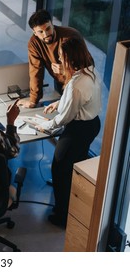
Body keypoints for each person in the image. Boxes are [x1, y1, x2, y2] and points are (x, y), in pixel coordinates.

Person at [35, 37, 102, 227]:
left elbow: (66, 118)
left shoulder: (76, 85)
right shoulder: (89, 71)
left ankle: (62, 216)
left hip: (78, 129)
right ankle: (72, 206)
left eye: (61, 56)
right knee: (72, 167)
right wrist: (58, 103)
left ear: (68, 57)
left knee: (59, 168)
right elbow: (78, 101)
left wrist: (46, 127)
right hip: (92, 125)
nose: (59, 60)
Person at [18, 9, 90, 108]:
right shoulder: (34, 43)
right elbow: (35, 71)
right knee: (64, 112)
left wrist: (67, 70)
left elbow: (88, 68)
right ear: (34, 32)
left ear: (52, 24)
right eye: (40, 32)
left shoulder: (71, 36)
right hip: (61, 83)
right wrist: (33, 100)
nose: (46, 34)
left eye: (48, 29)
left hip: (80, 85)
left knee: (80, 113)